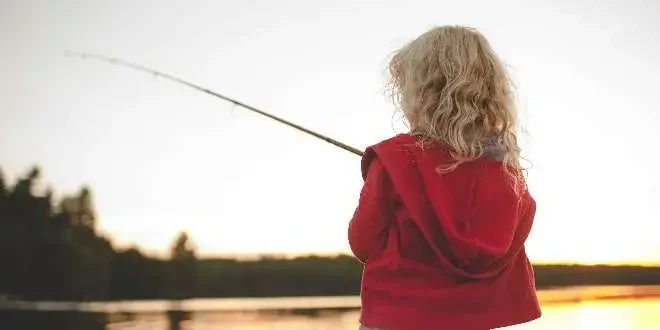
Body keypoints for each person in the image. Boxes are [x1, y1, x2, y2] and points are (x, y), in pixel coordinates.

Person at [348, 26, 540, 330]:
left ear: (419, 94)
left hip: (396, 320)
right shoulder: (507, 174)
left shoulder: (393, 159)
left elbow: (362, 242)